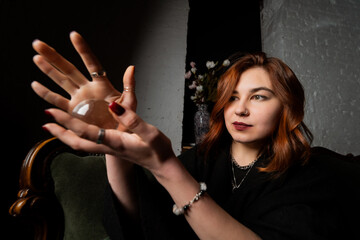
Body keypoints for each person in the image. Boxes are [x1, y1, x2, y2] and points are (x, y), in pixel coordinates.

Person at [31, 32, 360, 239]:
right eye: (231, 97)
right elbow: (138, 222)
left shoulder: (312, 174)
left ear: (286, 108)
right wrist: (117, 139)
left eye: (258, 96)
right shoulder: (201, 159)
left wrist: (166, 167)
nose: (239, 109)